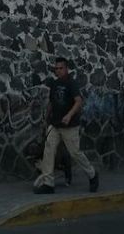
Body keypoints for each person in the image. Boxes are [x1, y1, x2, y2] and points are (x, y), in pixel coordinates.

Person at [33, 57, 99, 194]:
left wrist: (69, 115)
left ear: (66, 68)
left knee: (75, 153)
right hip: (55, 124)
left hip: (70, 126)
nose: (58, 71)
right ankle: (48, 183)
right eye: (56, 68)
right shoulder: (54, 83)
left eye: (61, 68)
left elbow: (78, 101)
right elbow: (52, 102)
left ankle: (92, 174)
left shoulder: (71, 83)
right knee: (49, 151)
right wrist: (46, 118)